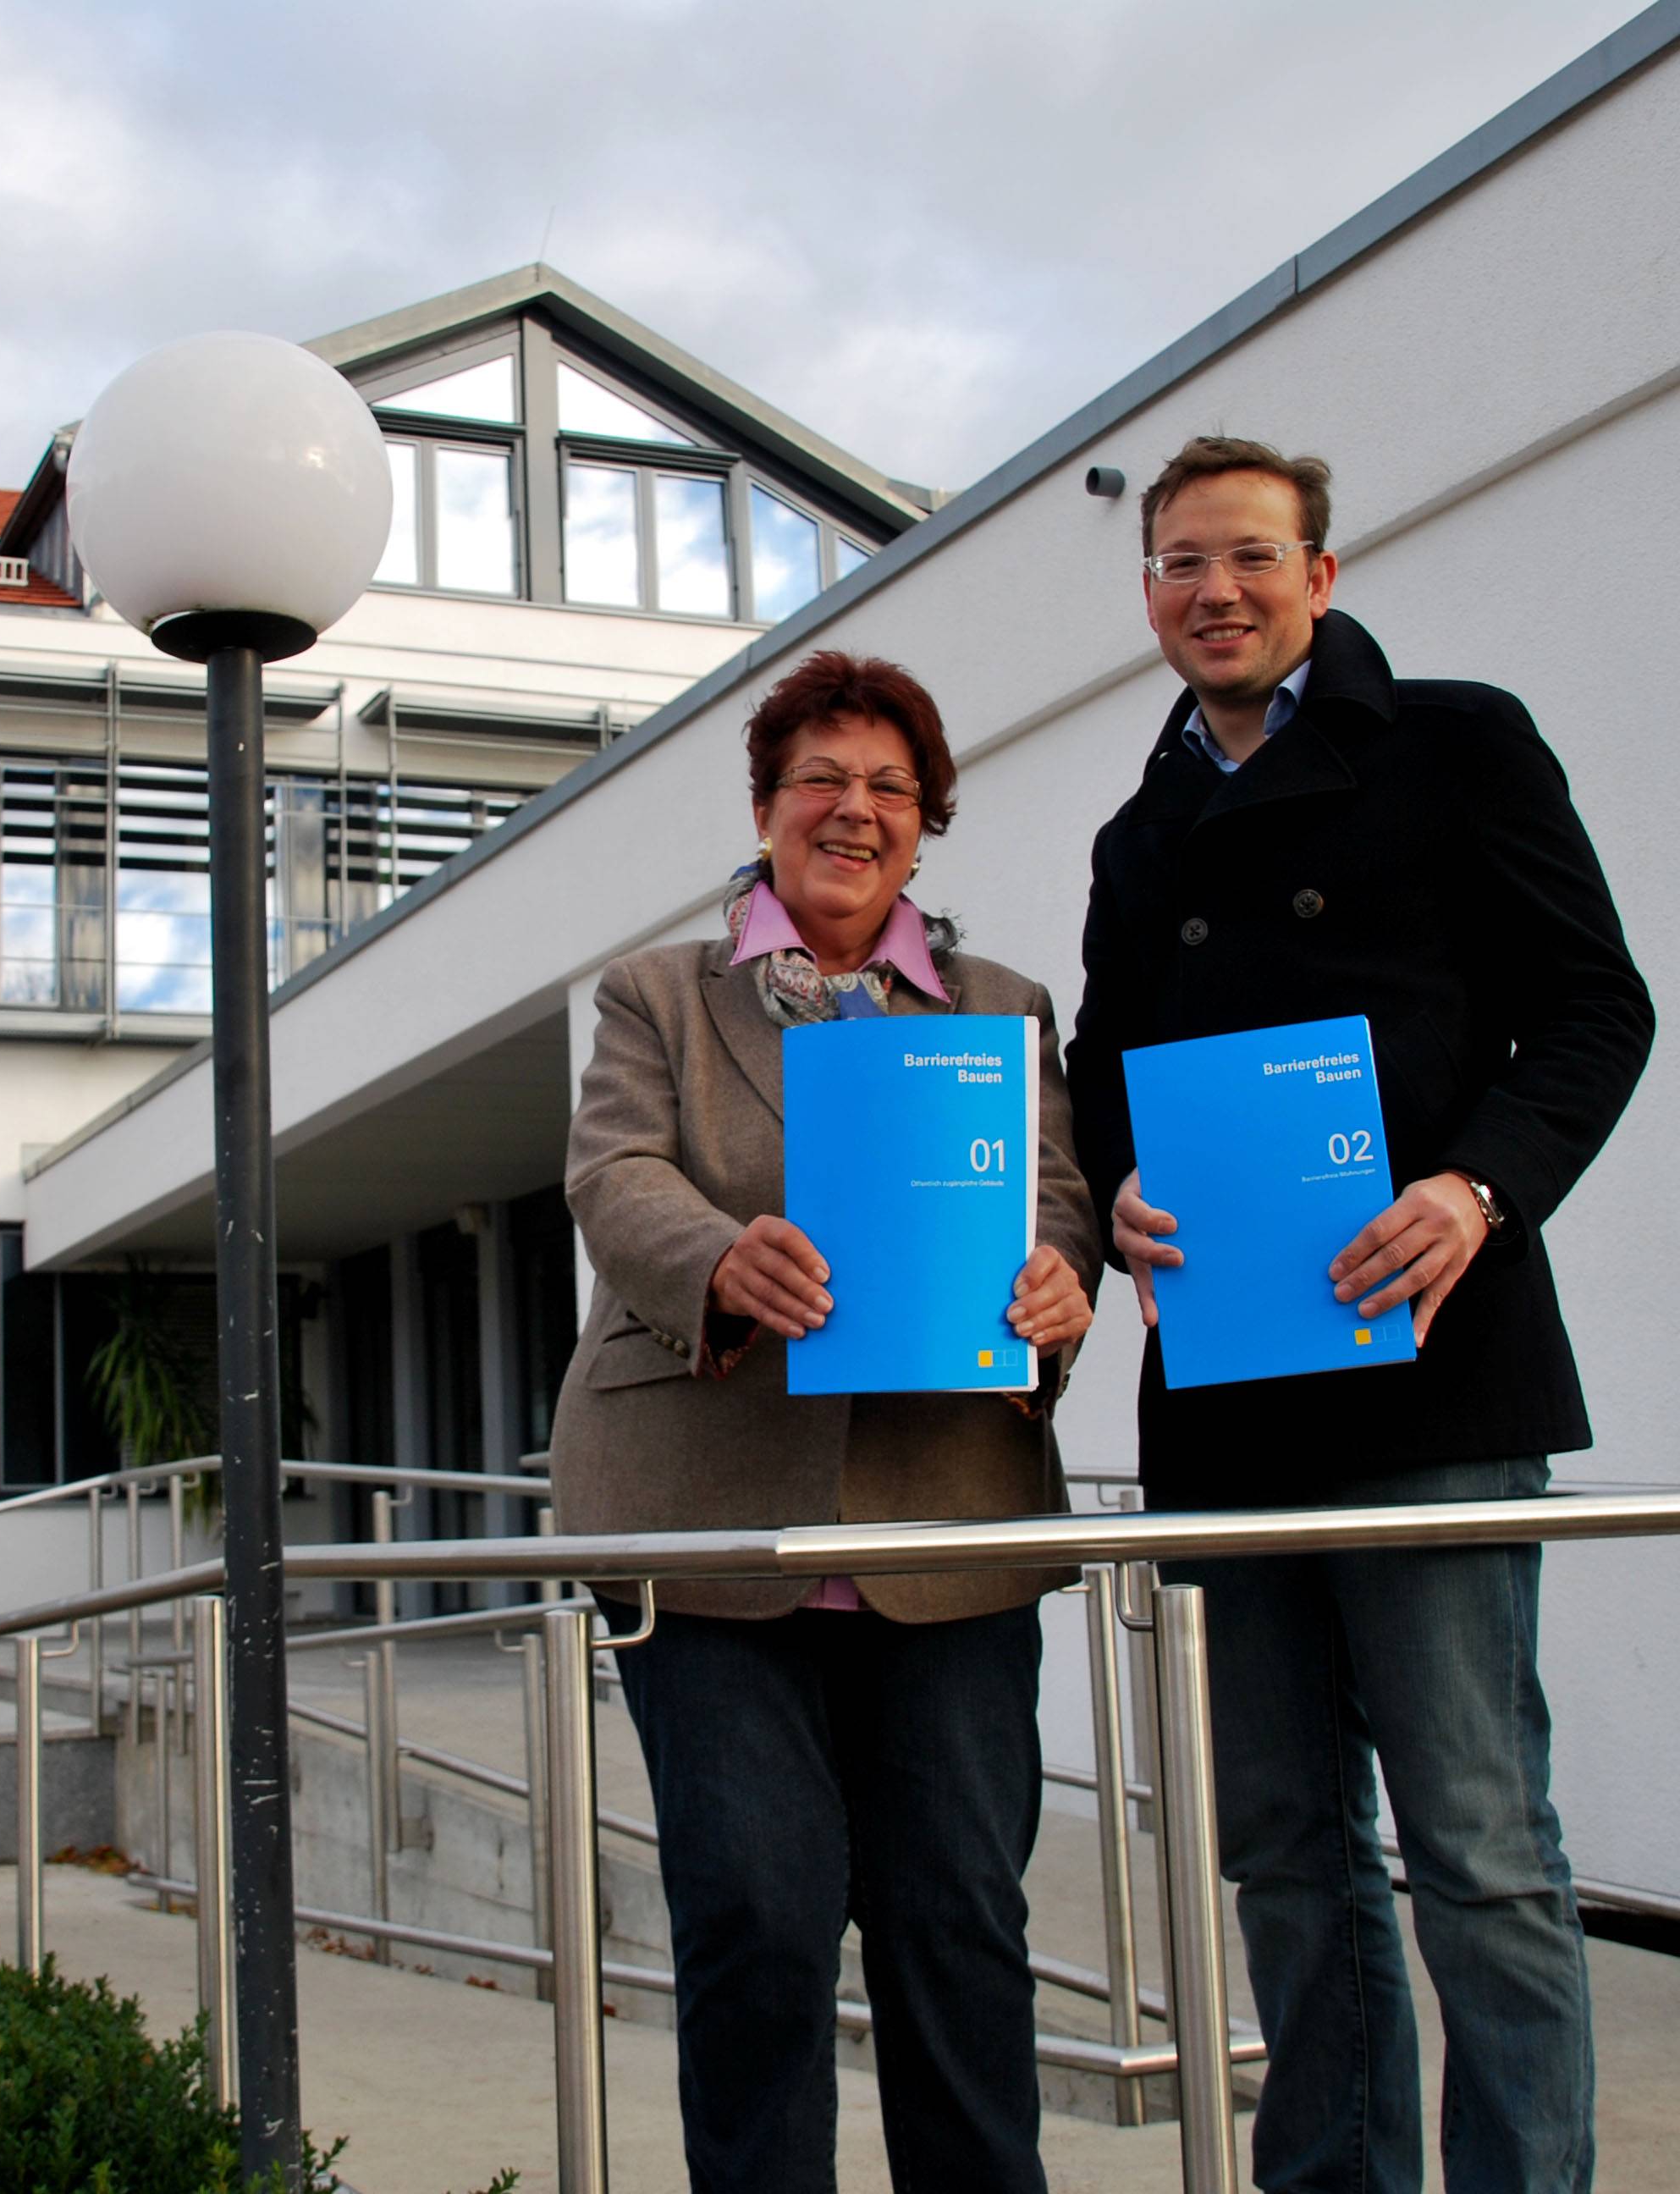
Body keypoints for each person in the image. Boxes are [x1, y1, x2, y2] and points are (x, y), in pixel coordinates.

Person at [1066, 435, 1653, 2194]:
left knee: (1476, 1841)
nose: (1214, 590)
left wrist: (1477, 1187)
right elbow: (1103, 1071)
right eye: (1179, 563)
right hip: (1233, 1407)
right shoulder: (1138, 825)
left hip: (1434, 1385)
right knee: (1283, 1851)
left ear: (1322, 573)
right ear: (1148, 589)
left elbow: (1595, 1008)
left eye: (1249, 556)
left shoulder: (1458, 742)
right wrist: (1107, 1190)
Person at [548, 649, 1101, 2194]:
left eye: (889, 790)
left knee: (958, 1927)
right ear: (766, 807)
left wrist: (1063, 1281)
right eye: (820, 783)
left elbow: (1053, 1201)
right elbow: (615, 1174)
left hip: (953, 1523)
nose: (852, 813)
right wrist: (718, 1256)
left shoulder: (1005, 1009)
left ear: (926, 825)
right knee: (759, 1918)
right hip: (711, 1527)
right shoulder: (660, 991)